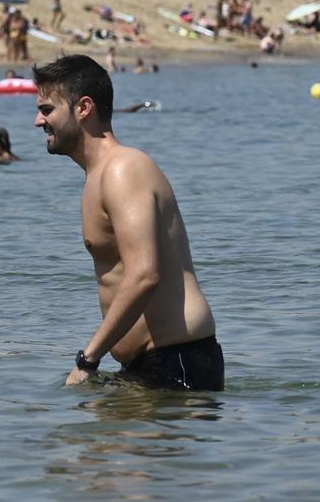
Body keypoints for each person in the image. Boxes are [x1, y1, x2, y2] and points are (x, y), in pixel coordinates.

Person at [36, 55, 221, 391]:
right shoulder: (99, 175)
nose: (38, 121)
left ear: (84, 108)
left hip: (175, 360)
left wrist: (88, 360)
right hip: (150, 364)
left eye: (47, 109)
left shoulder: (123, 170)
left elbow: (144, 274)